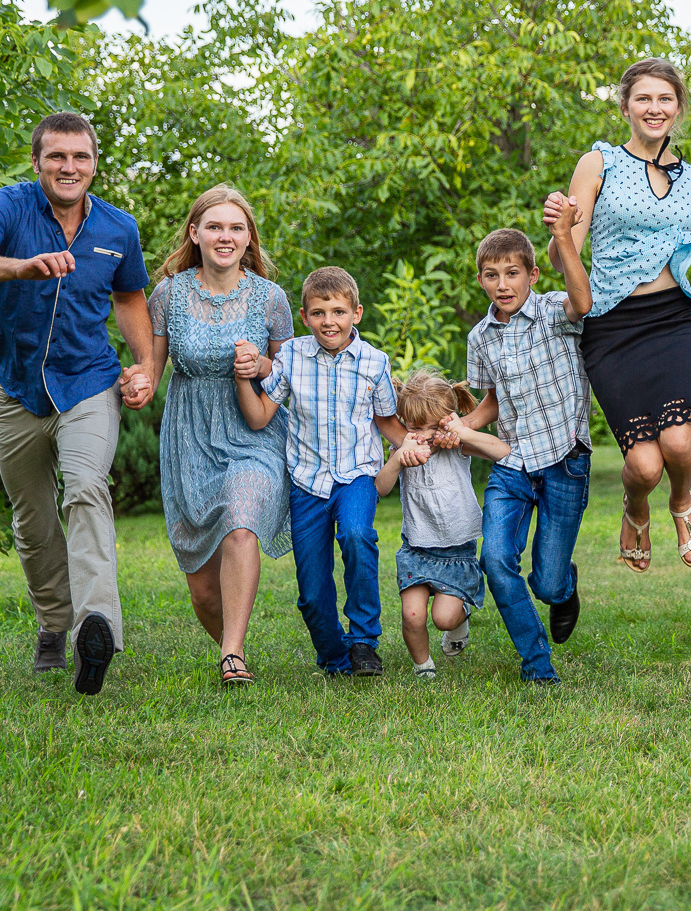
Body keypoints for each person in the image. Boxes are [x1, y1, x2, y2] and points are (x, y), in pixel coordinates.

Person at [543, 58, 691, 575]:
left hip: (674, 317)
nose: (655, 108)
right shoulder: (598, 163)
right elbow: (565, 255)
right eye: (643, 99)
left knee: (678, 441)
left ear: (679, 108)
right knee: (643, 463)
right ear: (625, 106)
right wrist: (560, 234)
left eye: (665, 99)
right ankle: (635, 507)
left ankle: (681, 505)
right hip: (610, 323)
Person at [0, 112, 151, 697]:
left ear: (93, 163)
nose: (69, 167)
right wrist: (19, 267)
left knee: (87, 489)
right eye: (57, 157)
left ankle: (97, 630)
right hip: (18, 389)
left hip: (89, 382)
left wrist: (146, 368)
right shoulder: (7, 209)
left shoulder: (118, 228)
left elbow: (131, 296)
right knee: (33, 521)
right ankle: (53, 625)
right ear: (37, 162)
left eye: (80, 157)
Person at [142, 185, 294, 688]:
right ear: (195, 233)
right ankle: (237, 648)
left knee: (242, 519)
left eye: (235, 227)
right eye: (214, 226)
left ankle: (230, 656)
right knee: (205, 593)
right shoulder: (168, 293)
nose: (224, 236)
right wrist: (137, 383)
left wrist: (265, 363)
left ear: (249, 238)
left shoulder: (271, 299)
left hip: (252, 431)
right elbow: (153, 366)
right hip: (189, 437)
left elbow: (293, 370)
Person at [235, 266, 403, 678]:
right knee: (311, 592)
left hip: (357, 476)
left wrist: (419, 439)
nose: (330, 321)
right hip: (307, 483)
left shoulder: (374, 363)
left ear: (356, 313)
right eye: (319, 313)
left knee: (358, 535)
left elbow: (387, 423)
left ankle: (364, 641)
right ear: (305, 316)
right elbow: (259, 417)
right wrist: (243, 377)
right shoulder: (290, 356)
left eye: (339, 311)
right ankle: (334, 656)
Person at [460, 226, 593, 684]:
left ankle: (563, 585)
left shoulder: (555, 311)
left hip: (563, 459)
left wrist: (564, 237)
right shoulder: (481, 337)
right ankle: (537, 663)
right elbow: (495, 399)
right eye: (492, 275)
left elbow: (584, 302)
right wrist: (460, 427)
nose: (502, 284)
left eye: (512, 273)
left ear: (532, 274)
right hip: (512, 464)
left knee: (547, 583)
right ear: (480, 280)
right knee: (495, 559)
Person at [377, 369, 510, 680]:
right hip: (417, 549)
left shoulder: (457, 446)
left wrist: (464, 433)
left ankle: (459, 624)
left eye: (433, 427)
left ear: (448, 419)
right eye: (415, 428)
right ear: (404, 424)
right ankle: (424, 668)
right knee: (412, 615)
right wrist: (399, 458)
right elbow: (380, 488)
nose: (425, 435)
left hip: (457, 551)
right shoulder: (403, 450)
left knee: (443, 619)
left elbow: (503, 452)